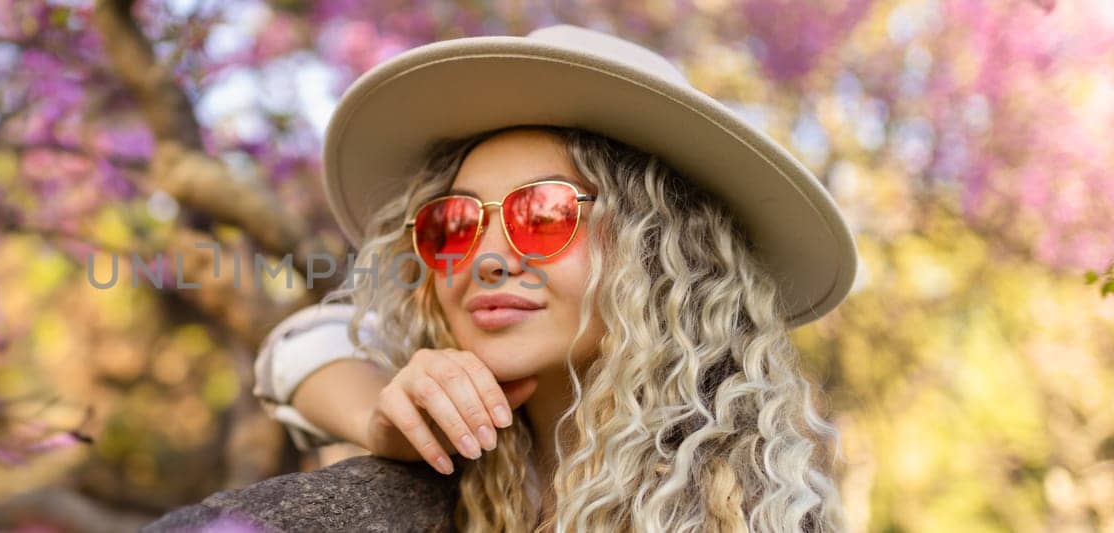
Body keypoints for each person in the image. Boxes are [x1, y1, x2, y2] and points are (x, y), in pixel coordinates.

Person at [250, 24, 857, 531]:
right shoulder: (472, 436)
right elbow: (295, 347)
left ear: (657, 253)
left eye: (543, 213)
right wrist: (381, 424)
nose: (485, 258)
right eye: (454, 223)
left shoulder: (745, 503)